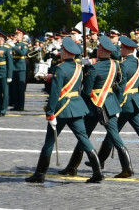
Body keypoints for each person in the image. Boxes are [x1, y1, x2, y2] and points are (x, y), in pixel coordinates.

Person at [26, 37, 102, 184]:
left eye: (62, 50)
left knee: (49, 142)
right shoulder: (78, 67)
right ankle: (97, 171)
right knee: (84, 140)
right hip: (76, 106)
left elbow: (55, 94)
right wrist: (51, 77)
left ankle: (40, 174)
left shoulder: (60, 69)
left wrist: (50, 113)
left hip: (61, 109)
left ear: (66, 52)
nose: (60, 52)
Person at [57, 35, 134, 179]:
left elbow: (86, 91)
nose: (97, 49)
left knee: (84, 136)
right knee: (115, 137)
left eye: (99, 47)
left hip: (94, 105)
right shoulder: (115, 64)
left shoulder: (94, 68)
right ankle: (127, 167)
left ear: (102, 50)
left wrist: (86, 74)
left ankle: (73, 167)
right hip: (109, 103)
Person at [94, 35, 139, 175]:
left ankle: (101, 161)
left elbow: (121, 87)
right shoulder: (137, 61)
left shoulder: (123, 65)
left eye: (121, 48)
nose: (120, 50)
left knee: (112, 133)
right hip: (136, 102)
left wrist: (116, 105)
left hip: (125, 104)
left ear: (126, 49)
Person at [10, 28, 29, 111]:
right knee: (14, 88)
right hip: (14, 68)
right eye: (16, 35)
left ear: (22, 36)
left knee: (21, 88)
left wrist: (14, 46)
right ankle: (16, 105)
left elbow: (22, 53)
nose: (16, 36)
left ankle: (21, 105)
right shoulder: (14, 44)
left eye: (18, 35)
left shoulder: (24, 45)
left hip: (21, 68)